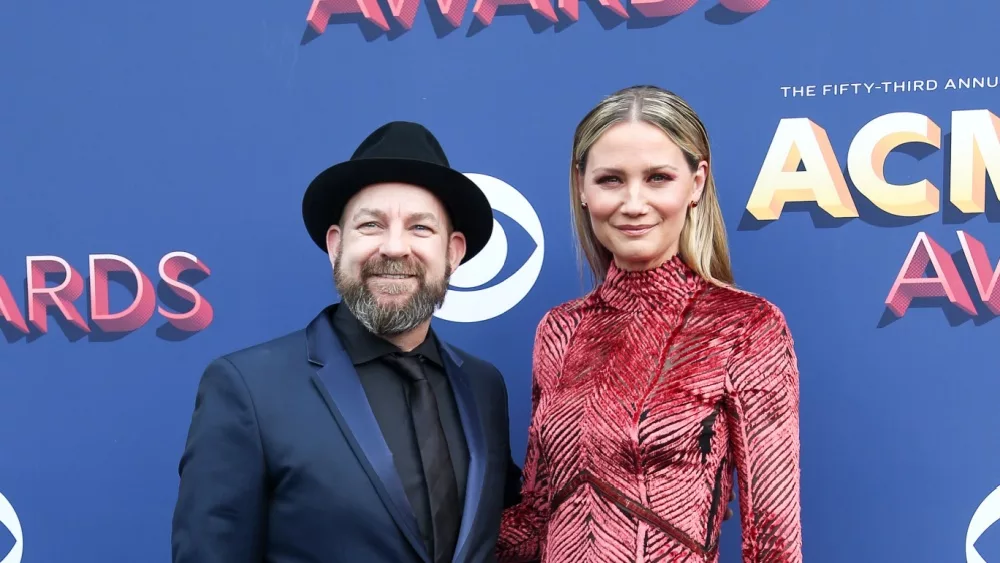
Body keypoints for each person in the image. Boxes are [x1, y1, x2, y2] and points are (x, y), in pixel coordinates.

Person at [171, 121, 523, 563]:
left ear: (453, 252)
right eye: (372, 225)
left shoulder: (484, 387)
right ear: (336, 245)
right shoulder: (248, 389)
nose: (395, 248)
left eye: (420, 228)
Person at [496, 86, 802, 562]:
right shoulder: (560, 330)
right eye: (611, 180)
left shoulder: (745, 326)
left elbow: (773, 535)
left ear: (696, 183)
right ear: (582, 186)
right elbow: (536, 516)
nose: (634, 203)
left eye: (658, 178)